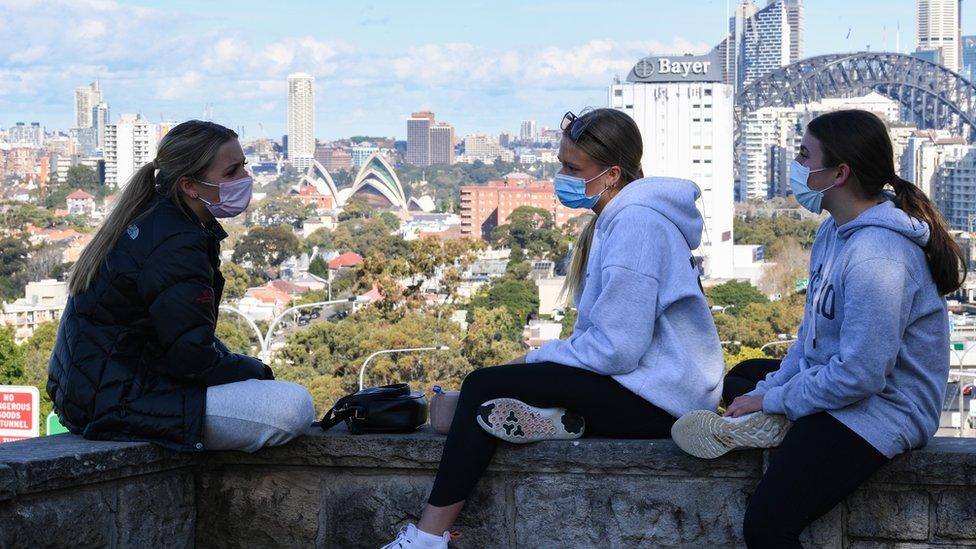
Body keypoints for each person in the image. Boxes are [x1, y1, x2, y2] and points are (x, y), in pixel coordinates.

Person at [382, 108, 725, 549]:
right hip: (647, 388)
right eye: (561, 164)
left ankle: (427, 539)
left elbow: (617, 350)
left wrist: (533, 359)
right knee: (487, 391)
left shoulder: (637, 224)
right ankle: (558, 419)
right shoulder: (621, 218)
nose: (561, 176)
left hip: (659, 401)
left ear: (612, 173)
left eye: (572, 168)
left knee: (483, 388)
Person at [671, 109, 965, 548]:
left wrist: (775, 399)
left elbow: (863, 375)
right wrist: (769, 387)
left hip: (882, 410)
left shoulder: (878, 257)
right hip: (846, 389)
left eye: (805, 156)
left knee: (768, 525)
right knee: (739, 377)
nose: (798, 166)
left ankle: (781, 420)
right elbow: (811, 340)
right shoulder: (835, 231)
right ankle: (776, 418)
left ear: (839, 173)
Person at [47, 120, 315, 454]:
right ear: (190, 185)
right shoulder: (176, 243)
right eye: (231, 172)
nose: (245, 180)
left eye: (243, 167)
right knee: (293, 406)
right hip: (116, 402)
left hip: (97, 393)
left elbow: (181, 334)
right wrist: (256, 370)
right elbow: (192, 359)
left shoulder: (159, 219)